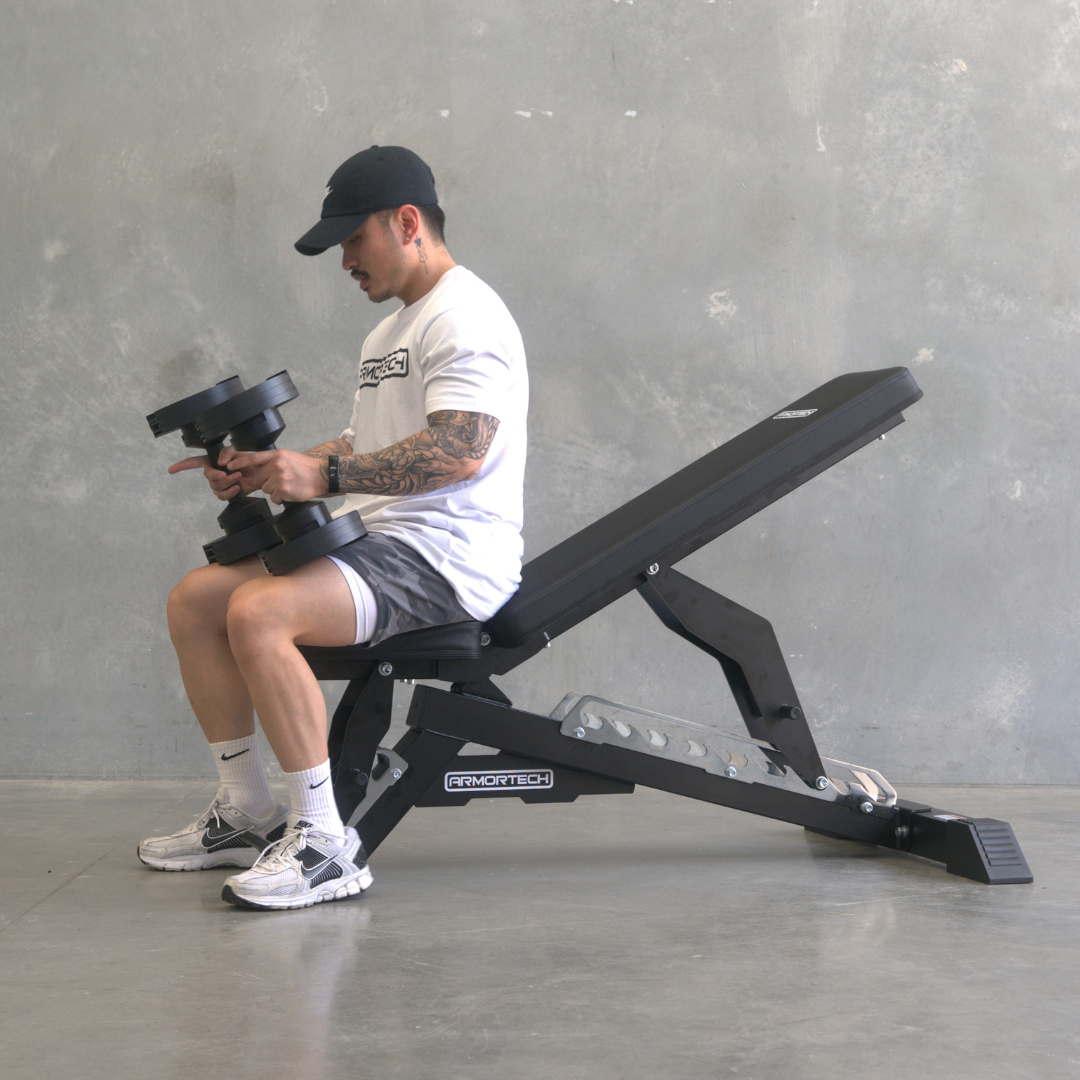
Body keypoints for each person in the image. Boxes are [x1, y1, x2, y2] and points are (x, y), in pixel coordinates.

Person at [138, 146, 528, 911]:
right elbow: (360, 445)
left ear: (407, 223)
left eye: (355, 239)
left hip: (447, 556)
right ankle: (247, 812)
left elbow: (462, 448)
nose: (346, 260)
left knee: (259, 611)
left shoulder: (466, 314)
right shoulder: (388, 334)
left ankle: (324, 842)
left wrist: (327, 478)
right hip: (380, 541)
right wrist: (269, 467)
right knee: (196, 600)